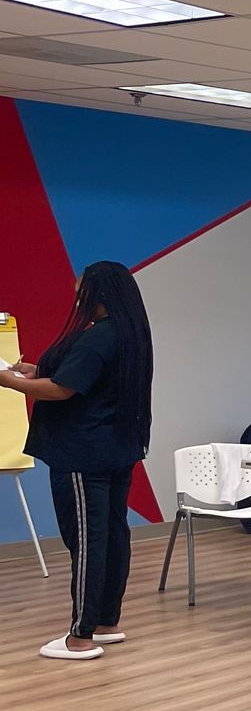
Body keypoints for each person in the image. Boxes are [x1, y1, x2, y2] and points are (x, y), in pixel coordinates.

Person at [0, 262, 155, 661]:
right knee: (112, 534)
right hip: (117, 449)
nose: (77, 300)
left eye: (81, 293)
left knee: (87, 540)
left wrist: (9, 381)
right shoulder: (130, 332)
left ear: (98, 295)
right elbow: (83, 377)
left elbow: (61, 390)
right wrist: (34, 371)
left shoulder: (98, 336)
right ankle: (106, 621)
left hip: (83, 453)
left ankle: (80, 636)